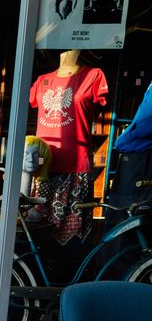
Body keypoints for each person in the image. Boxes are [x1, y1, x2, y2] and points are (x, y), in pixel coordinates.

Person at [29, 49, 109, 246]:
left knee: (73, 235)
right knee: (37, 229)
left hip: (76, 168)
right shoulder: (41, 81)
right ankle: (36, 275)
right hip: (43, 168)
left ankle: (70, 274)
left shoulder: (93, 76)